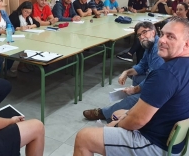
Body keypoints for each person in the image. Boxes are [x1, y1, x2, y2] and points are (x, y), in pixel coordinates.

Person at [74, 17, 189, 156]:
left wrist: (116, 125)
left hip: (155, 144)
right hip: (172, 141)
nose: (162, 40)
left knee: (84, 137)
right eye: (163, 34)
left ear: (187, 44)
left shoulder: (165, 74)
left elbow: (137, 121)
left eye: (170, 36)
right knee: (118, 113)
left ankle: (105, 118)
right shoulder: (179, 66)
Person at [83, 21, 164, 121]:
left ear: (153, 32)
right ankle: (137, 100)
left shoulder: (157, 49)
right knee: (136, 76)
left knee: (132, 99)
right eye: (139, 35)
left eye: (144, 32)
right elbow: (142, 66)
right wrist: (126, 72)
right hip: (156, 81)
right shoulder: (150, 45)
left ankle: (103, 113)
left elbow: (153, 78)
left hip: (161, 88)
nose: (142, 37)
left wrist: (135, 89)